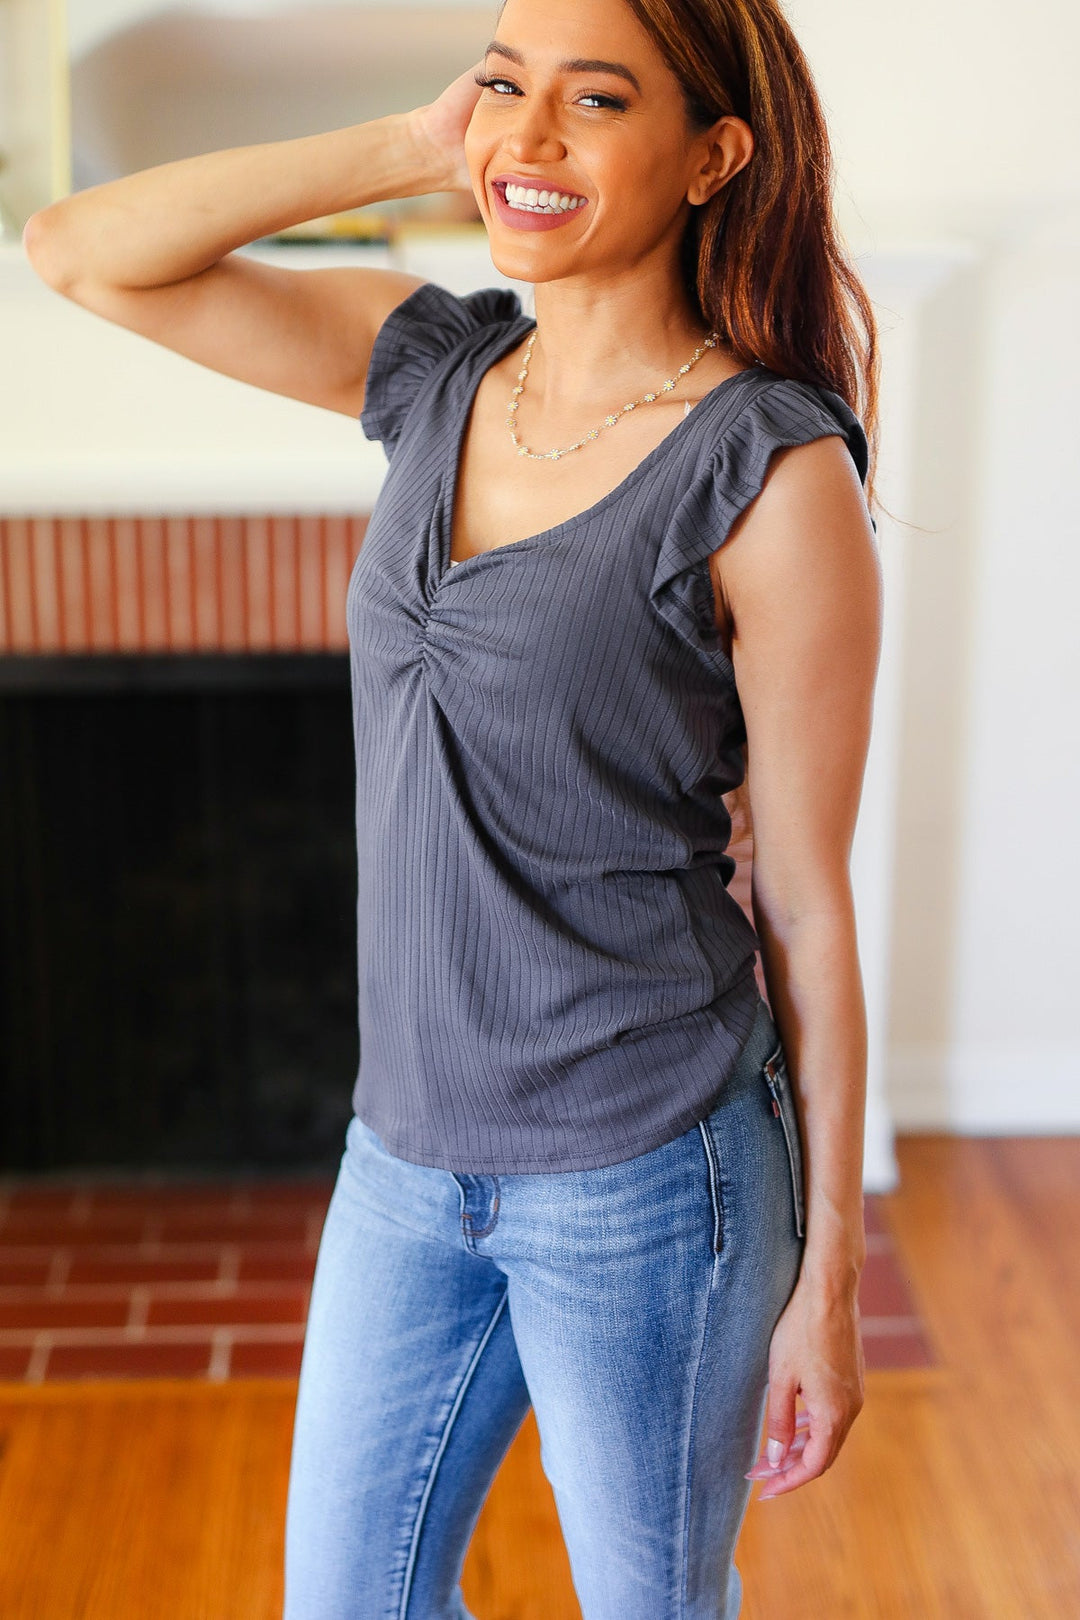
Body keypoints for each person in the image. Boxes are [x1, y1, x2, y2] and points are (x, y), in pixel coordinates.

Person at [24, 0, 883, 1612]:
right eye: (508, 85)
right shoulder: (434, 365)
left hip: (649, 1164)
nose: (532, 133)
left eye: (595, 99)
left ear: (714, 157)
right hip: (408, 1157)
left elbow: (813, 904)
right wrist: (420, 144)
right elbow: (78, 249)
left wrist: (828, 1275)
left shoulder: (770, 473)